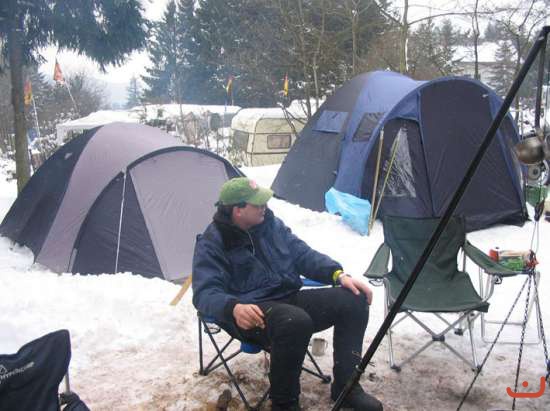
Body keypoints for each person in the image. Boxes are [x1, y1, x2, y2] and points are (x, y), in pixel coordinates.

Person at [192, 177, 383, 411]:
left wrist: (338, 274)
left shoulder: (271, 225)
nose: (264, 207)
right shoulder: (213, 241)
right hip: (249, 313)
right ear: (237, 210)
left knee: (354, 300)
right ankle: (284, 405)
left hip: (288, 299)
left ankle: (347, 387)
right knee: (294, 321)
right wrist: (233, 307)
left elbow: (302, 254)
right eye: (257, 204)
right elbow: (204, 292)